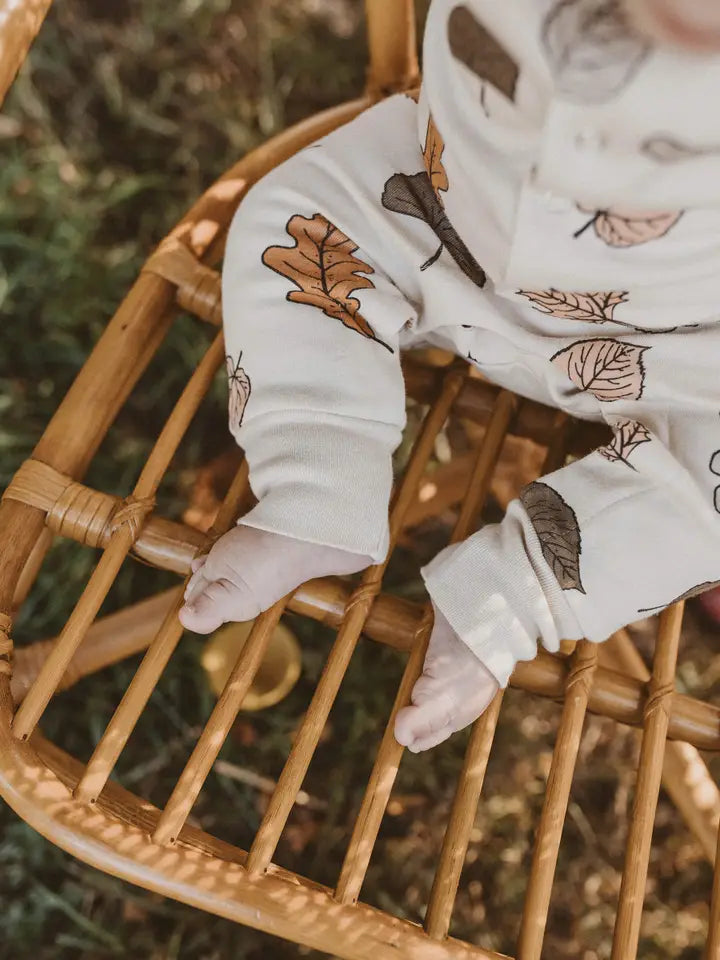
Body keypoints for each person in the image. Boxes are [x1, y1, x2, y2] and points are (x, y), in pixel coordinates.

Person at [179, 0, 720, 753]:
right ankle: (319, 486)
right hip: (440, 208)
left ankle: (511, 597)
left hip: (690, 344)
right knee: (294, 223)